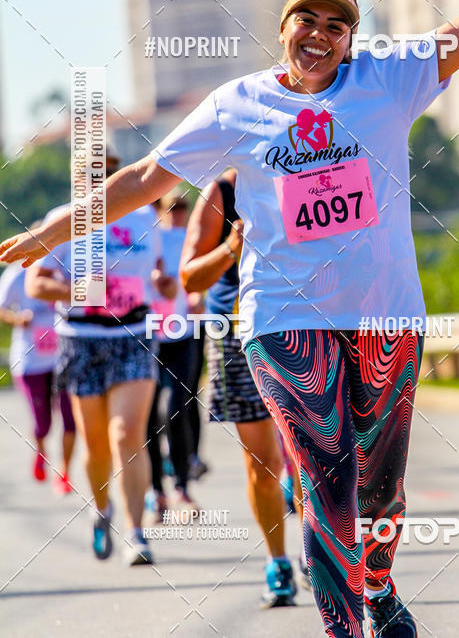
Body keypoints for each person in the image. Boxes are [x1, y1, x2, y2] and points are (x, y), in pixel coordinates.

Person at [0, 0, 459, 637]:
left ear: (351, 39)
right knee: (326, 480)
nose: (322, 32)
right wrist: (49, 231)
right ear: (283, 28)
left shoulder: (390, 74)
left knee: (381, 488)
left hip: (385, 317)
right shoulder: (236, 106)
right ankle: (344, 627)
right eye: (307, 18)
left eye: (338, 24)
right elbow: (142, 181)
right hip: (282, 320)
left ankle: (379, 587)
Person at [22, 148, 178, 566]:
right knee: (95, 444)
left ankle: (136, 532)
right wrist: (81, 291)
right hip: (81, 339)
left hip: (134, 333)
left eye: (106, 174)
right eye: (87, 177)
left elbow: (158, 269)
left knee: (128, 433)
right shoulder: (63, 219)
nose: (96, 184)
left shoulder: (144, 218)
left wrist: (162, 282)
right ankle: (102, 508)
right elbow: (35, 284)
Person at [180, 168, 299, 607]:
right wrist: (231, 249)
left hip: (300, 327)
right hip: (237, 335)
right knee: (263, 465)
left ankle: (318, 553)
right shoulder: (221, 191)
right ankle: (279, 563)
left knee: (313, 456)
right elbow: (190, 278)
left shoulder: (305, 169)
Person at [146, 190, 204, 517]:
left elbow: (198, 277)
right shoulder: (146, 238)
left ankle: (181, 487)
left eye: (183, 206)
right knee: (148, 419)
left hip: (182, 333)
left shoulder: (188, 239)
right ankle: (156, 491)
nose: (177, 213)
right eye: (171, 207)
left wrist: (198, 297)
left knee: (174, 409)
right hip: (147, 337)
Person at [0, 252, 75, 492]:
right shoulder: (16, 275)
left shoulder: (63, 272)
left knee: (70, 417)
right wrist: (17, 318)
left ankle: (65, 472)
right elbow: (1, 309)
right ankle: (42, 450)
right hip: (30, 360)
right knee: (43, 422)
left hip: (62, 358)